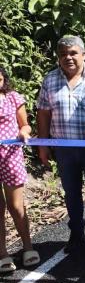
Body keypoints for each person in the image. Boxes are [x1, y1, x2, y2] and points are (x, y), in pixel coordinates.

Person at [36, 36, 85, 254]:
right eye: (63, 54)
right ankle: (76, 233)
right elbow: (43, 113)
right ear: (58, 57)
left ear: (83, 55)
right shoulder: (50, 80)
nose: (68, 57)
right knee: (71, 192)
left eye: (73, 53)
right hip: (64, 148)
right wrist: (42, 144)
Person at [0, 66, 39, 272]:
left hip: (10, 156)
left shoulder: (13, 97)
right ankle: (2, 253)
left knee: (16, 207)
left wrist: (24, 133)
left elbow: (25, 125)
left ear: (2, 76)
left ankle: (28, 247)